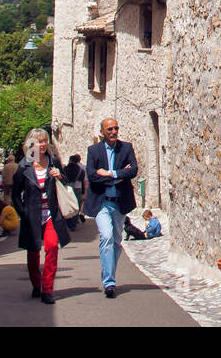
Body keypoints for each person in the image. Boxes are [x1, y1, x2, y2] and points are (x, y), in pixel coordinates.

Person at [11, 127, 71, 304]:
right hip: (32, 215)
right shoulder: (24, 166)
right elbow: (15, 193)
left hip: (51, 213)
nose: (42, 144)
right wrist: (24, 213)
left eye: (45, 140)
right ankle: (36, 284)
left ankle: (47, 289)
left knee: (52, 247)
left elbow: (66, 181)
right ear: (31, 144)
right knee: (33, 252)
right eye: (38, 141)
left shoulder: (53, 162)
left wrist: (59, 175)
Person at [84, 118, 138, 298]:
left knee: (116, 242)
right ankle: (109, 282)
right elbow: (92, 176)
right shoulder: (93, 151)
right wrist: (119, 176)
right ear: (102, 131)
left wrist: (110, 173)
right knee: (106, 237)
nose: (114, 132)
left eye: (116, 128)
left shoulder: (126, 148)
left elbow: (133, 170)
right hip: (102, 202)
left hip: (119, 202)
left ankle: (108, 273)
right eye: (110, 129)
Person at [63, 153, 86, 228]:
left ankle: (69, 220)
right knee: (77, 204)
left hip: (68, 187)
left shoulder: (65, 168)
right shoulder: (81, 169)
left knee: (68, 204)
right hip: (78, 187)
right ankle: (74, 220)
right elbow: (82, 180)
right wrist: (84, 191)